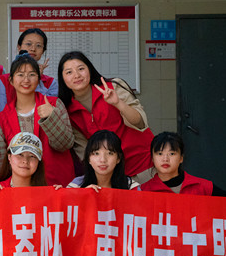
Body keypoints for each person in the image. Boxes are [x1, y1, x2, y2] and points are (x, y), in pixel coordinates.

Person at [58, 51, 154, 180]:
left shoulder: (113, 86)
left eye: (81, 69)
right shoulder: (67, 109)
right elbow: (84, 150)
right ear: (62, 78)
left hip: (144, 164)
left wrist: (118, 103)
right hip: (112, 175)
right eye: (69, 72)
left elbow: (140, 122)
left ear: (89, 69)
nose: (76, 75)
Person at [0, 56, 75, 187]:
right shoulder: (3, 117)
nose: (26, 80)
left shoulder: (54, 104)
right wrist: (0, 188)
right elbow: (1, 162)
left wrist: (51, 117)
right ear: (11, 80)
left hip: (56, 185)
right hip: (22, 190)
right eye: (20, 75)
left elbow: (66, 144)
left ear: (39, 79)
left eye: (32, 74)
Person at [0, 28, 57, 121]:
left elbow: (50, 116)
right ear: (19, 47)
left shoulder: (51, 83)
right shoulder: (3, 81)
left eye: (38, 46)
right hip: (10, 129)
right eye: (28, 44)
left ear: (43, 51)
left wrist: (37, 81)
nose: (33, 49)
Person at [139, 132, 226, 195]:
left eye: (172, 154)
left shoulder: (203, 187)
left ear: (181, 158)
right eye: (160, 154)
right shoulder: (141, 192)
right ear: (152, 158)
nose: (165, 159)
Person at [66, 130, 139, 190]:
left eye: (110, 153)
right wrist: (82, 196)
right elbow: (65, 203)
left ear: (118, 158)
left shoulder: (130, 187)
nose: (103, 160)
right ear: (88, 158)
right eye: (96, 153)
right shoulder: (76, 185)